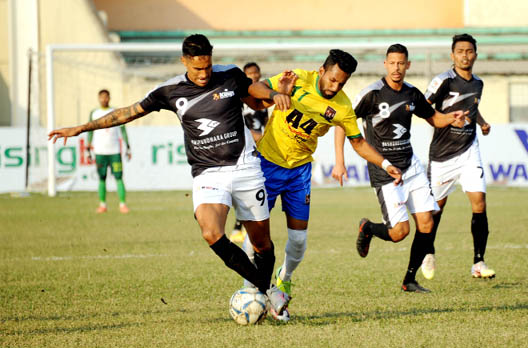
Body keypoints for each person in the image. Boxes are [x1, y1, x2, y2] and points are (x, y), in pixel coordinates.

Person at [48, 34, 294, 320]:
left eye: (207, 67)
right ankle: (270, 292)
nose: (204, 74)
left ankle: (266, 294)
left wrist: (275, 94)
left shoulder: (229, 74)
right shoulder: (169, 90)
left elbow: (256, 91)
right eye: (197, 68)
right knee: (211, 232)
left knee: (262, 243)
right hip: (208, 173)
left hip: (245, 168)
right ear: (184, 61)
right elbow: (128, 112)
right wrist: (82, 128)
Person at [245, 49, 403, 300]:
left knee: (298, 241)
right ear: (321, 71)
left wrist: (385, 164)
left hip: (299, 172)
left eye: (342, 82)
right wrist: (276, 94)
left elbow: (358, 142)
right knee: (256, 233)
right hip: (267, 164)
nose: (335, 86)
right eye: (332, 79)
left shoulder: (342, 106)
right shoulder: (296, 79)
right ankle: (249, 289)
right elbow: (254, 88)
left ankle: (283, 281)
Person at [339, 44, 466, 293]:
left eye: (401, 63)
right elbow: (342, 122)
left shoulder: (412, 94)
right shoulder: (372, 94)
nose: (397, 68)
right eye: (392, 63)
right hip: (385, 171)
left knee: (427, 223)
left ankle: (409, 280)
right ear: (385, 64)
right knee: (399, 232)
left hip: (411, 166)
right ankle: (368, 228)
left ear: (408, 65)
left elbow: (434, 118)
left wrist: (452, 118)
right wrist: (339, 160)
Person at [423, 33, 495, 279]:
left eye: (469, 51)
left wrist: (481, 122)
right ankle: (428, 251)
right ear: (452, 55)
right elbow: (423, 107)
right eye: (460, 51)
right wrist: (446, 119)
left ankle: (478, 263)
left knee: (480, 202)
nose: (465, 55)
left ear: (476, 54)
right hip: (442, 155)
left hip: (468, 151)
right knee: (436, 209)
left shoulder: (478, 84)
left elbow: (472, 107)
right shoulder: (443, 80)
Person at [230, 62, 270, 243]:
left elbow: (266, 123)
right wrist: (255, 135)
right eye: (250, 74)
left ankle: (244, 226)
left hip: (258, 147)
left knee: (257, 186)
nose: (254, 76)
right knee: (243, 187)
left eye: (256, 73)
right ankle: (239, 226)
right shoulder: (239, 96)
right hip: (242, 145)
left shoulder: (262, 100)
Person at [86, 89, 131, 214]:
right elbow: (90, 130)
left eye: (106, 97)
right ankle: (102, 205)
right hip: (100, 151)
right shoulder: (94, 113)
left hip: (114, 151)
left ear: (109, 98)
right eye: (101, 97)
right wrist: (88, 145)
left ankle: (122, 204)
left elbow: (123, 130)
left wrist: (128, 146)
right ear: (98, 98)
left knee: (119, 177)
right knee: (102, 178)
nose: (104, 99)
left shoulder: (115, 112)